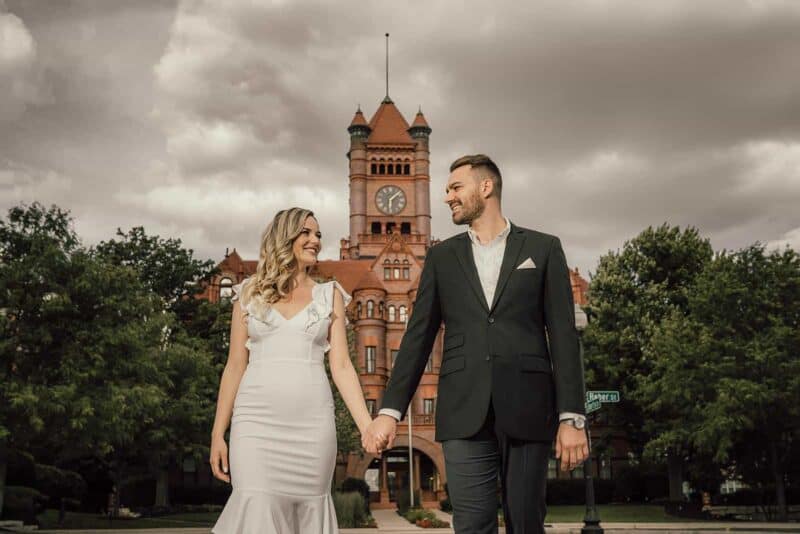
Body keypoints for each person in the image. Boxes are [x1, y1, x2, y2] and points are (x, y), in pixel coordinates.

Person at [363, 155, 589, 533]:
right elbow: (417, 337)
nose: (447, 197)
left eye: (455, 188)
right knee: (471, 525)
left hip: (529, 406)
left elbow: (564, 336)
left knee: (527, 522)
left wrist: (572, 416)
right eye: (447, 189)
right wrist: (390, 410)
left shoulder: (543, 248)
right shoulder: (440, 258)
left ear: (486, 187)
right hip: (462, 409)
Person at [210, 207, 384, 533]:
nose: (315, 240)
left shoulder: (329, 294)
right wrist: (218, 433)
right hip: (255, 425)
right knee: (256, 503)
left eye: (318, 234)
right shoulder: (248, 293)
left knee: (309, 510)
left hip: (312, 427)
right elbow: (234, 366)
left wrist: (366, 425)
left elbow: (342, 366)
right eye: (306, 232)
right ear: (284, 236)